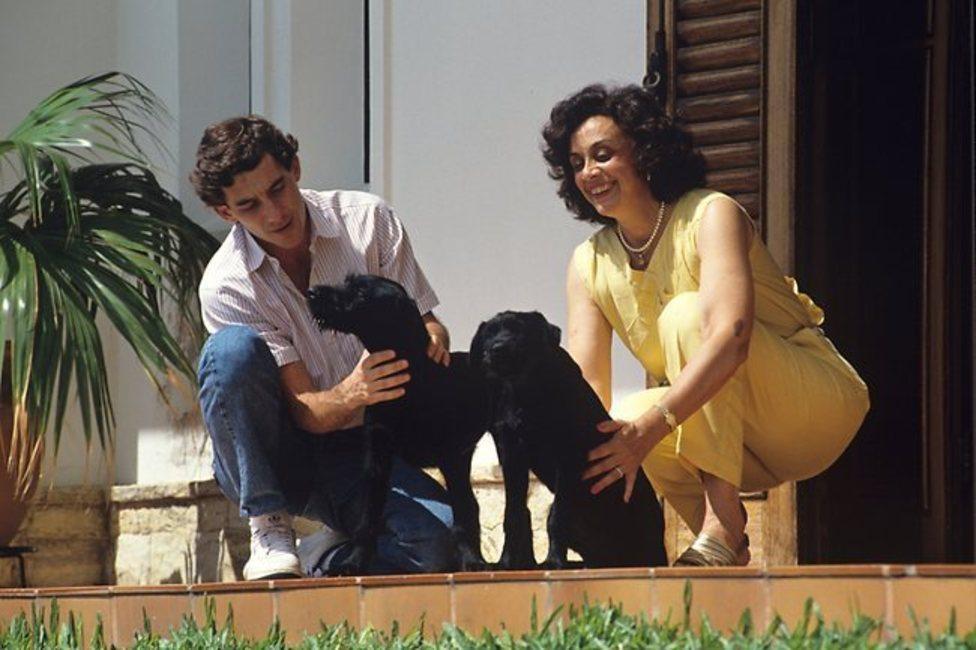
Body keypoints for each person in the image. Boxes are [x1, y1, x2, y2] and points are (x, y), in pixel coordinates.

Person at [541, 84, 869, 566]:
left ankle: (721, 523)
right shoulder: (588, 263)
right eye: (577, 163)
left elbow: (731, 339)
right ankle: (721, 557)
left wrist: (651, 428)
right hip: (736, 439)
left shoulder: (711, 213)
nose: (589, 172)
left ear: (644, 153)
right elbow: (587, 390)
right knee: (624, 419)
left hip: (813, 408)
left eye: (603, 155)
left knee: (687, 317)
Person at [191, 115, 457, 580]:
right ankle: (269, 525)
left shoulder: (368, 221)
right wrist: (354, 392)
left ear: (295, 168)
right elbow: (305, 412)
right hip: (277, 454)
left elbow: (426, 322)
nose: (274, 214)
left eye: (278, 189)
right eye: (249, 205)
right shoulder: (226, 284)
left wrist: (432, 340)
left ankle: (325, 554)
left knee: (438, 547)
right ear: (226, 213)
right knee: (229, 352)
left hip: (361, 448)